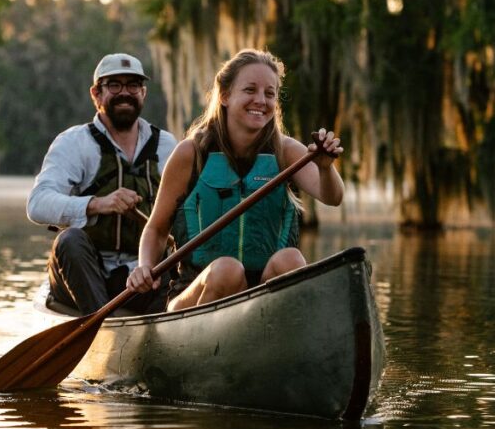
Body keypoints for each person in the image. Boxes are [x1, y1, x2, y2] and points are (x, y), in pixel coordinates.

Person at [127, 49, 344, 311]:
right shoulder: (191, 153)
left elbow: (333, 197)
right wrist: (144, 267)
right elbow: (156, 229)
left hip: (262, 292)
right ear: (226, 95)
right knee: (227, 270)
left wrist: (324, 168)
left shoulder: (285, 151)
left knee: (291, 260)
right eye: (250, 90)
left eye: (270, 93)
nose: (261, 100)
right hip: (196, 291)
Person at [27, 53, 177, 314]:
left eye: (132, 85)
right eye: (114, 85)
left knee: (176, 257)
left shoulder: (167, 146)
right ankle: (98, 322)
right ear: (96, 94)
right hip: (86, 275)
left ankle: (169, 318)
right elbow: (37, 204)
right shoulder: (74, 143)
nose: (125, 93)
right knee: (69, 240)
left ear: (143, 93)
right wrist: (98, 204)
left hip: (144, 277)